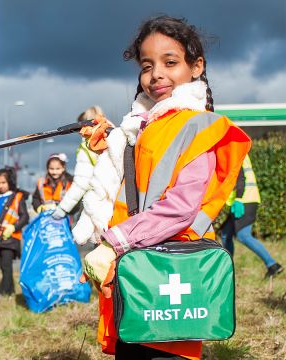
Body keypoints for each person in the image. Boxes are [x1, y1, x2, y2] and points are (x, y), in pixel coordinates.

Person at [79, 16, 251, 360]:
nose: (156, 73)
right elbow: (143, 174)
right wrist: (114, 142)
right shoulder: (150, 125)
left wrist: (114, 243)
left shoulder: (196, 125)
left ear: (196, 66)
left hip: (168, 268)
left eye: (170, 63)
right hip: (142, 266)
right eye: (147, 65)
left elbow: (180, 207)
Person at [221, 154, 283, 278]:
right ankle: (227, 270)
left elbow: (240, 177)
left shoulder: (235, 152)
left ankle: (273, 265)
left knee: (243, 235)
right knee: (226, 234)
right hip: (242, 200)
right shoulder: (238, 150)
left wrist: (238, 198)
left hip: (244, 201)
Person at [52, 106, 106, 240]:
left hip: (100, 205)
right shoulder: (114, 135)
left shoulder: (87, 148)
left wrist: (62, 209)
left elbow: (82, 183)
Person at [0, 168, 29, 295]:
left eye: (3, 182)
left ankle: (5, 292)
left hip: (11, 237)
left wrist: (13, 227)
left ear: (10, 182)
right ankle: (9, 290)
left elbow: (25, 217)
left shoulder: (18, 197)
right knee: (2, 265)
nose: (0, 186)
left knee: (6, 265)